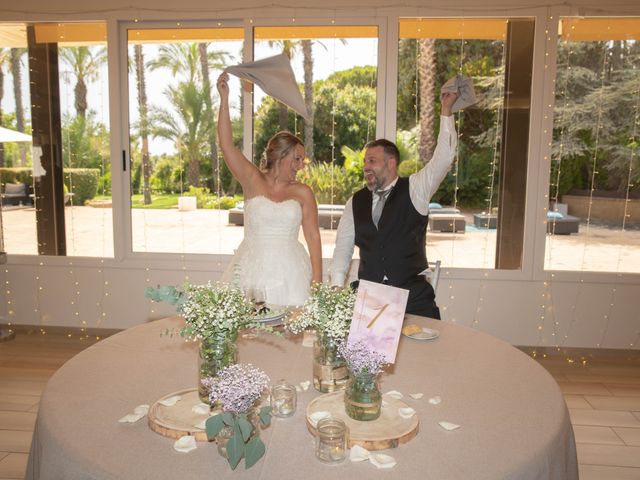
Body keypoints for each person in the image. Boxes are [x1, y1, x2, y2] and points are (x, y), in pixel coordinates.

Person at [329, 92, 459, 319]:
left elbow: (444, 158)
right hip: (369, 298)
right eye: (364, 162)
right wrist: (336, 287)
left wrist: (446, 112)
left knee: (425, 353)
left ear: (391, 162)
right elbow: (343, 248)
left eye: (372, 161)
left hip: (413, 297)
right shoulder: (355, 202)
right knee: (364, 354)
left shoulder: (416, 189)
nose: (365, 167)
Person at [217, 73, 322, 306]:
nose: (300, 166)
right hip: (252, 271)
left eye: (302, 160)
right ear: (280, 154)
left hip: (291, 274)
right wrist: (224, 99)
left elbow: (313, 237)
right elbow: (226, 145)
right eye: (296, 158)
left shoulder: (303, 193)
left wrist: (317, 282)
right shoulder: (251, 179)